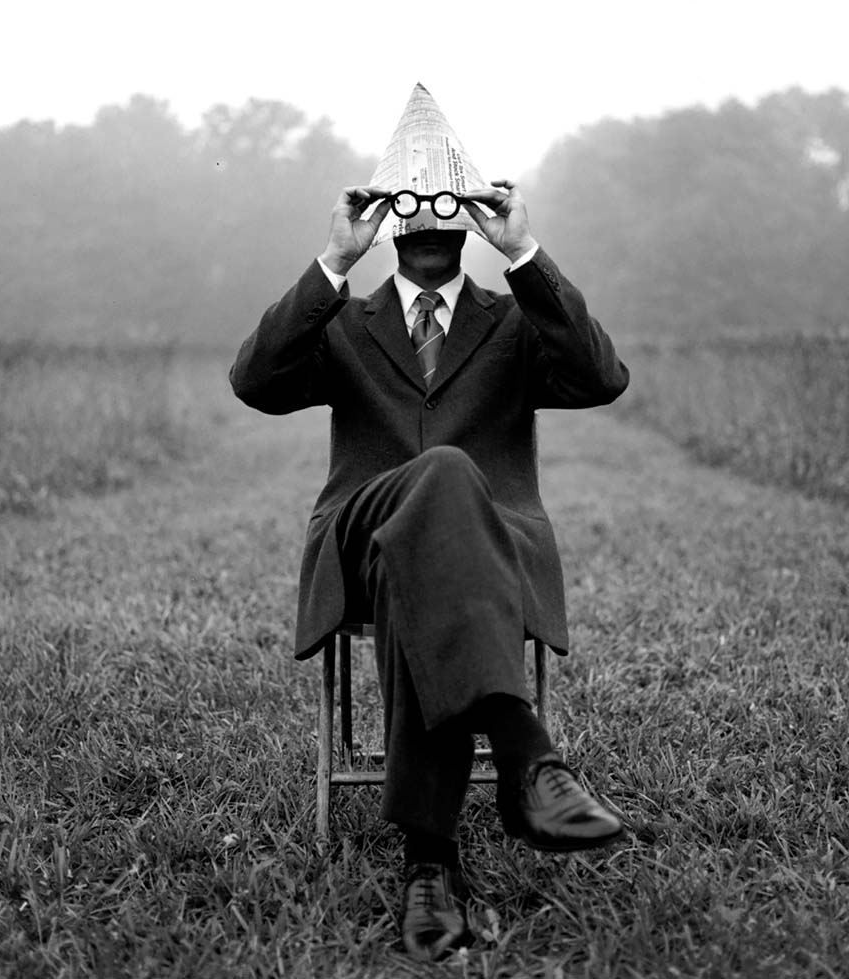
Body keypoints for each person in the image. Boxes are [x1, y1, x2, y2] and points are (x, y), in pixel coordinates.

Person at [230, 179, 630, 961]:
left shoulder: (516, 321)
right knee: (442, 471)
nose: (426, 218)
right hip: (360, 532)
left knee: (435, 540)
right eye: (409, 203)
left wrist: (524, 253)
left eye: (443, 201)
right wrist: (334, 259)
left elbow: (601, 377)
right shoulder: (344, 321)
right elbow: (255, 382)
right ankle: (525, 753)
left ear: (468, 218)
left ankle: (429, 862)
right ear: (386, 220)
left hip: (479, 553)